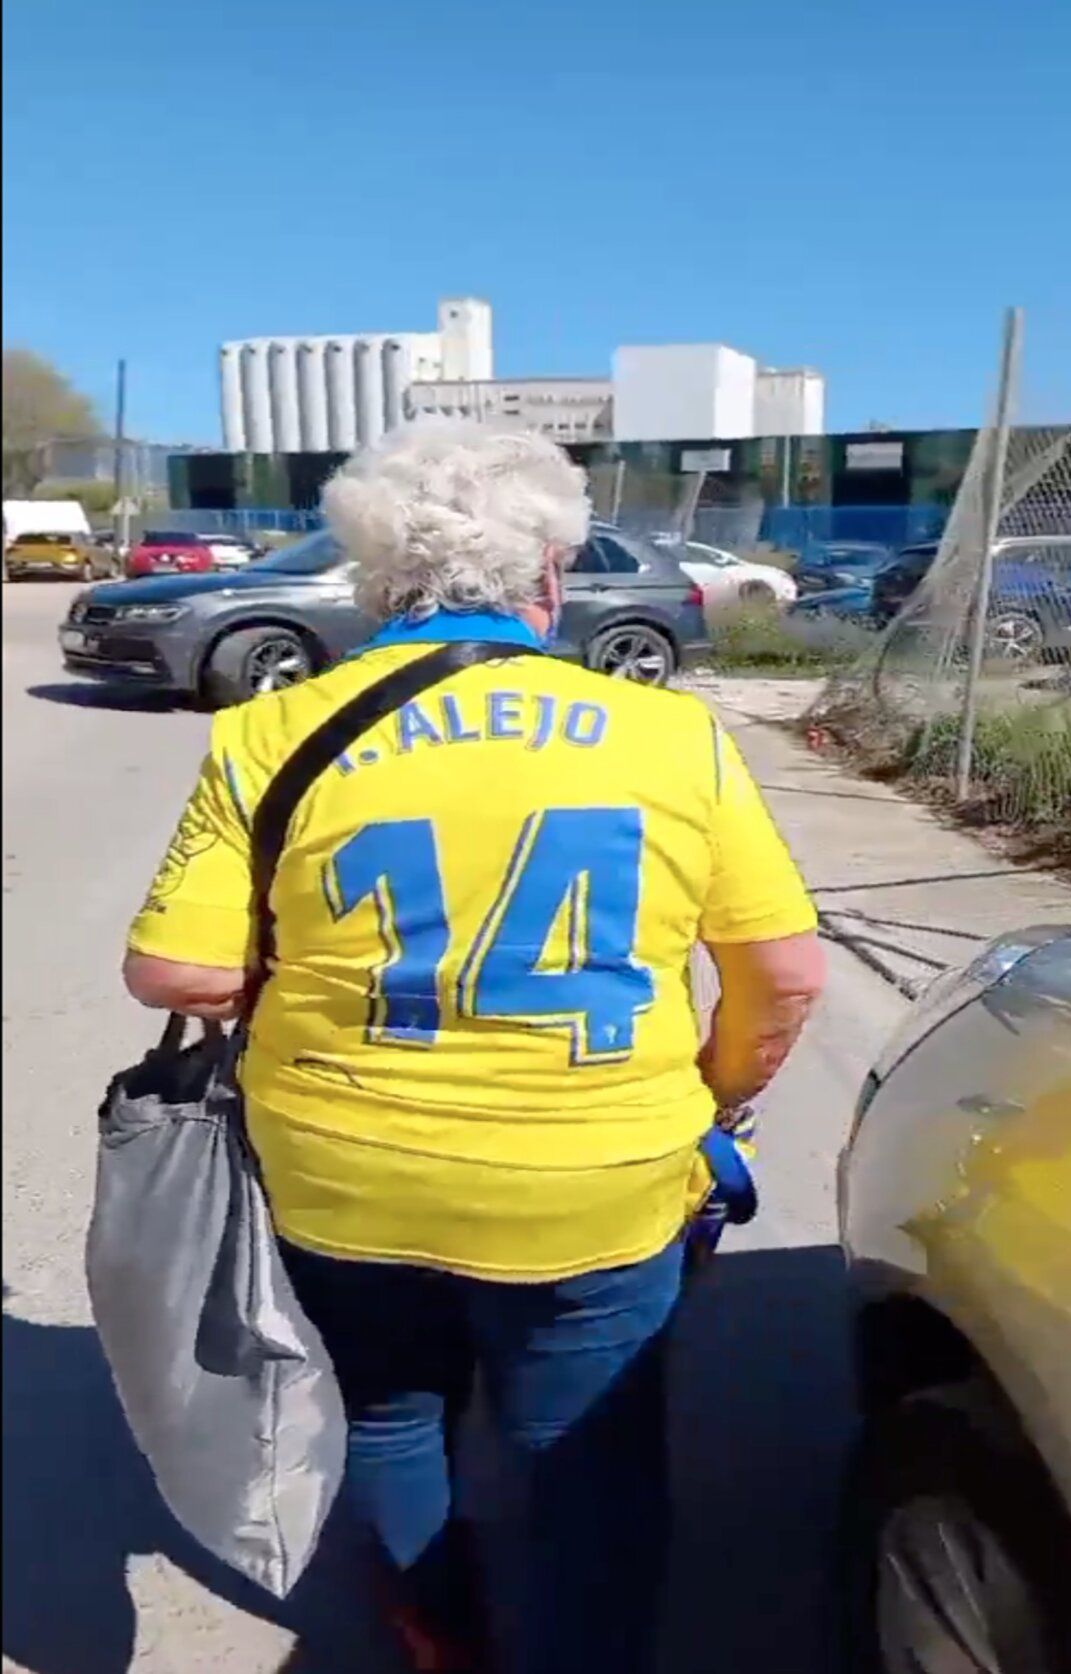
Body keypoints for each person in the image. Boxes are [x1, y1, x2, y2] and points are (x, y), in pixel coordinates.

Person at [123, 423, 825, 1674]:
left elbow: (176, 973)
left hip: (342, 1176)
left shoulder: (265, 737)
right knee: (588, 1458)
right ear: (549, 578)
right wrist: (711, 1104)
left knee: (389, 1413)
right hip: (597, 1181)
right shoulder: (673, 739)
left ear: (371, 581)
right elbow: (782, 975)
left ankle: (439, 1636)